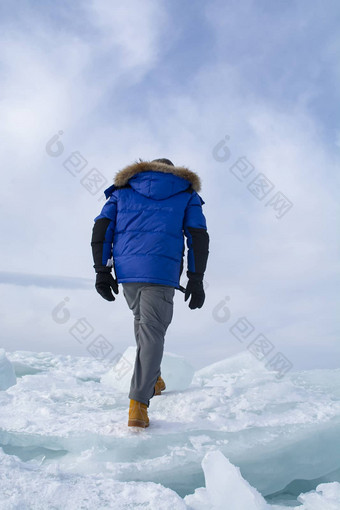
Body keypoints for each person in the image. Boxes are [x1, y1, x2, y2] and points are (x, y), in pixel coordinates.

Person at [91, 158, 209, 429]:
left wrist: (102, 270)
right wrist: (196, 278)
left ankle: (153, 379)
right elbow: (197, 236)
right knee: (152, 331)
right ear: (173, 172)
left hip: (128, 273)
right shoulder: (185, 194)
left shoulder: (121, 192)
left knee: (144, 325)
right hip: (160, 272)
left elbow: (102, 229)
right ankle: (138, 405)